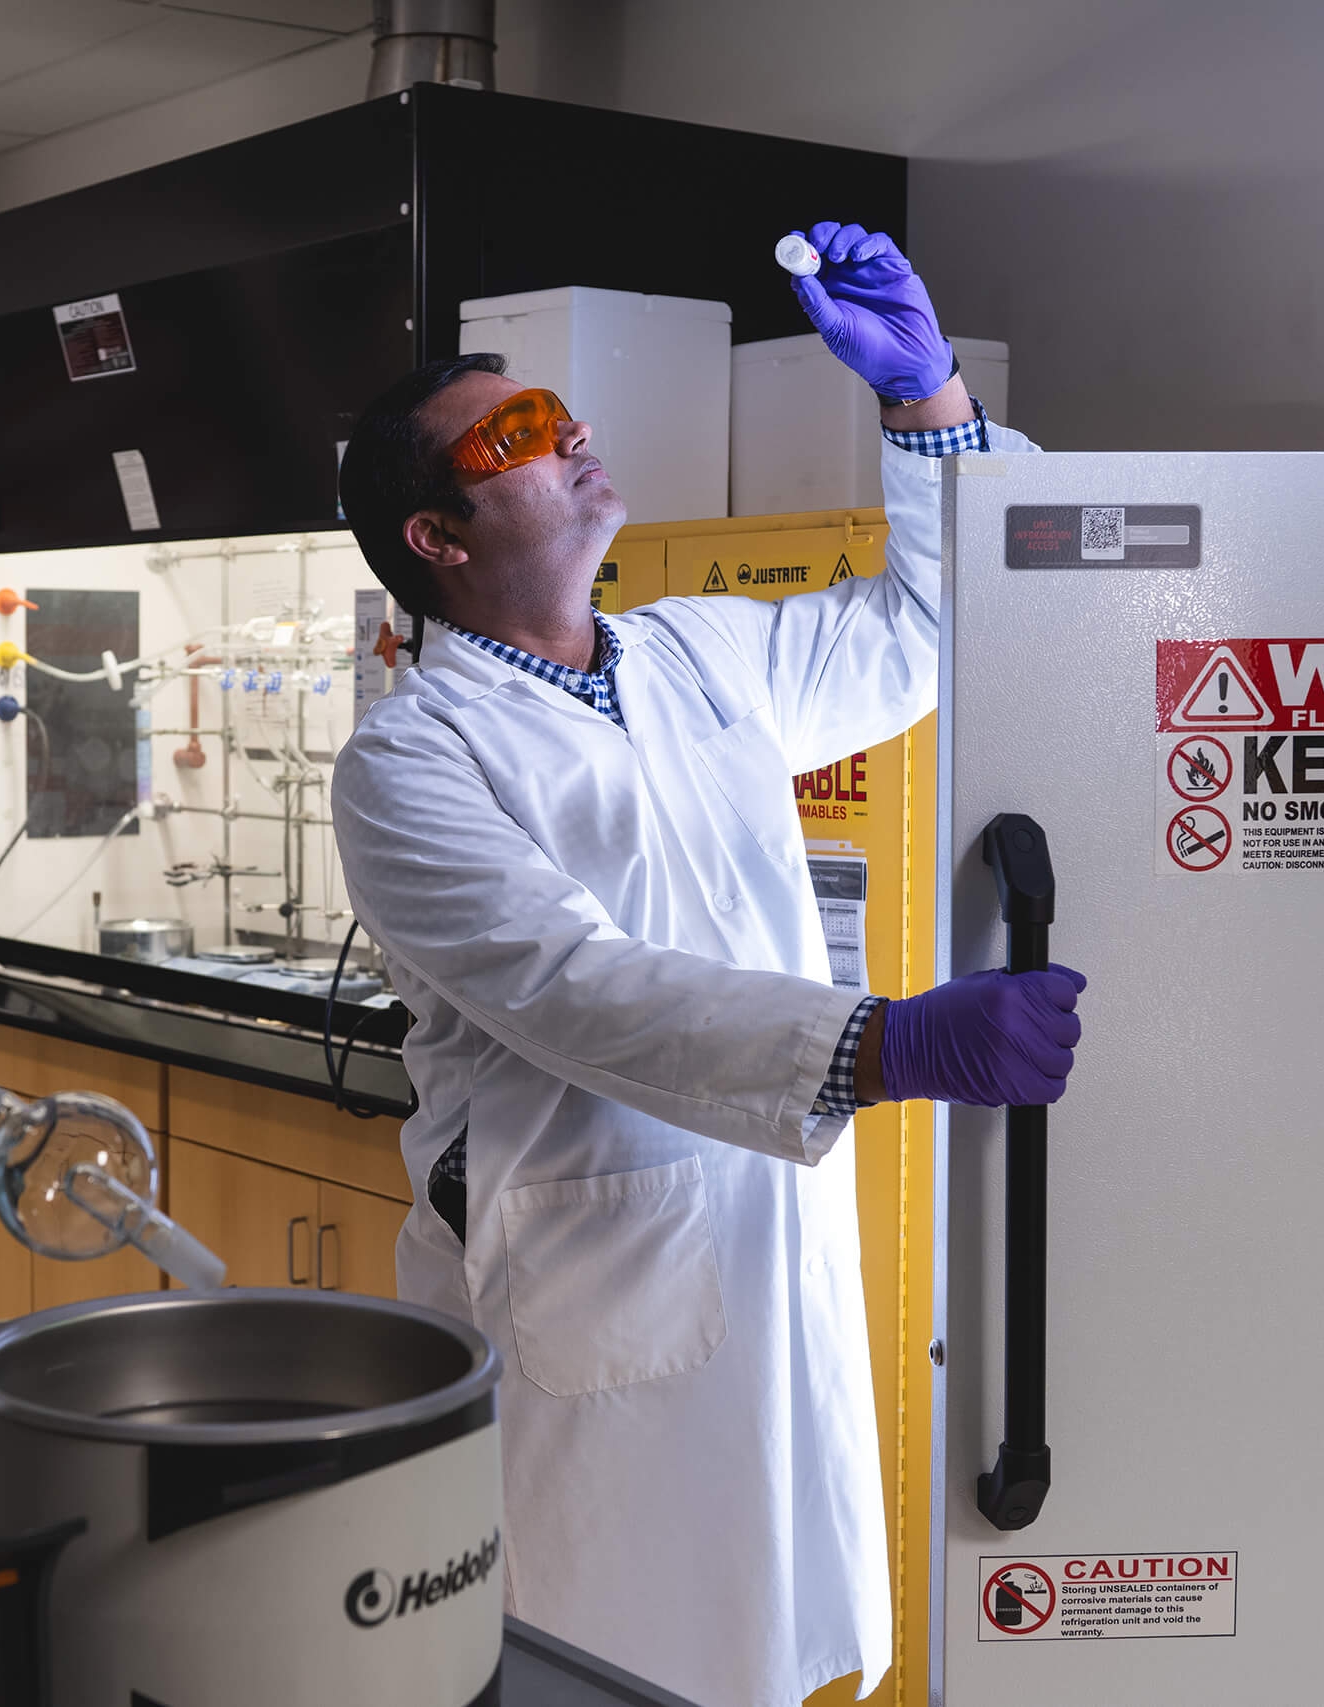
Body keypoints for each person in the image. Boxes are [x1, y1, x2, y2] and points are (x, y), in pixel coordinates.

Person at [329, 224, 1088, 1706]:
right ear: (440, 536)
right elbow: (577, 987)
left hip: (757, 1247)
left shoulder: (693, 657)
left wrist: (927, 404)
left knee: (765, 1647)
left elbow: (940, 629)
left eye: (563, 414)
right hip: (587, 1289)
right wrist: (885, 1046)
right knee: (596, 1662)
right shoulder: (408, 760)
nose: (577, 436)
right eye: (523, 432)